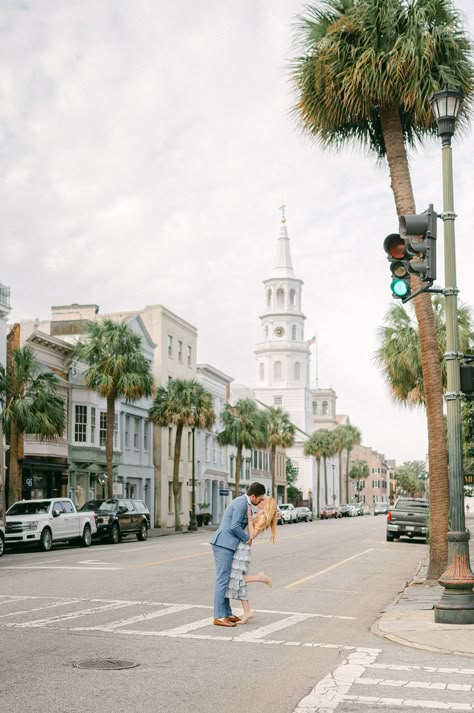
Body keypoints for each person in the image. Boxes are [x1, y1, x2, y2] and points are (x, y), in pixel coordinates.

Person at [210, 482, 266, 627]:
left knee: (226, 579)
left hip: (227, 544)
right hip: (223, 544)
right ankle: (219, 616)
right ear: (253, 496)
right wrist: (247, 539)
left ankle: (227, 613)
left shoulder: (245, 504)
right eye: (260, 498)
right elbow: (235, 525)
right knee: (222, 580)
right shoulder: (242, 503)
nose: (260, 500)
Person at [226, 497, 277, 624]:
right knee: (239, 581)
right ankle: (247, 612)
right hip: (241, 545)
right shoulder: (258, 513)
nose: (260, 500)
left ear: (267, 505)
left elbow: (252, 535)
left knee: (237, 579)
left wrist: (249, 517)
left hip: (243, 549)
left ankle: (260, 578)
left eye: (263, 500)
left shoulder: (264, 517)